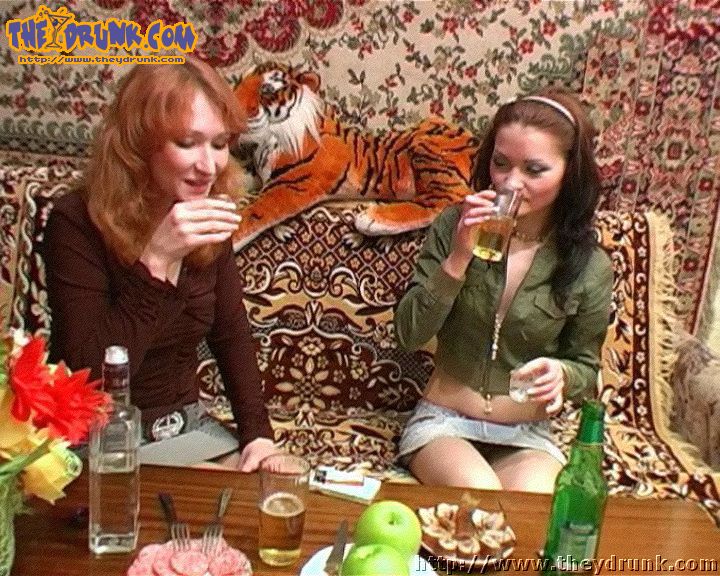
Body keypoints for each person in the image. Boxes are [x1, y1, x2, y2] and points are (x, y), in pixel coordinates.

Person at [44, 57, 278, 471]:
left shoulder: (206, 211)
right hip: (96, 432)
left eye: (219, 144)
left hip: (182, 427)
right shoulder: (75, 220)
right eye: (187, 143)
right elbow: (86, 376)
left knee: (271, 489)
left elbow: (231, 335)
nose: (208, 166)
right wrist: (157, 260)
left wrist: (258, 436)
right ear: (139, 145)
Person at [394, 87, 613, 492]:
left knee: (532, 507)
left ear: (570, 173)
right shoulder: (454, 225)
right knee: (478, 495)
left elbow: (585, 367)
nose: (510, 183)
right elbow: (408, 333)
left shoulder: (589, 264)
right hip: (446, 420)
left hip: (527, 432)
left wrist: (563, 375)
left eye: (534, 170)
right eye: (500, 163)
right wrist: (458, 257)